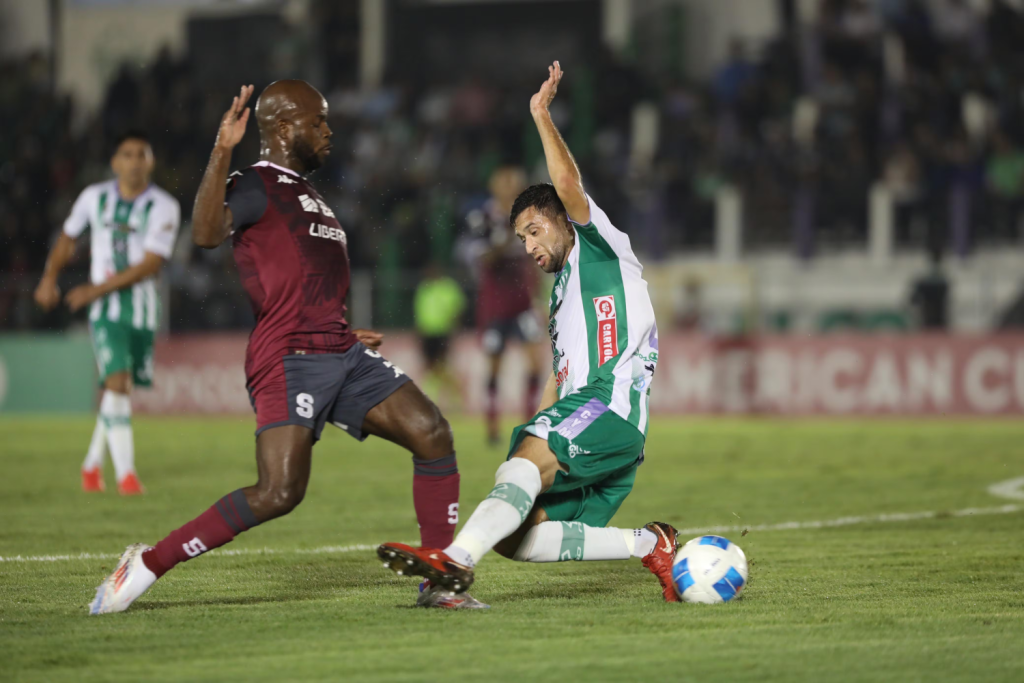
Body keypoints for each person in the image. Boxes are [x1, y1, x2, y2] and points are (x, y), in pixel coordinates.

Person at [90, 80, 485, 614]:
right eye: (317, 121)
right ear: (282, 128)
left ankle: (438, 582)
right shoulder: (254, 182)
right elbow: (206, 233)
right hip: (290, 355)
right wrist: (221, 149)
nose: (328, 131)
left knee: (432, 431)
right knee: (279, 492)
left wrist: (339, 326)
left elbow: (303, 276)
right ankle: (146, 563)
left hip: (338, 348)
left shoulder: (310, 194)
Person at [378, 62, 680, 603]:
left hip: (611, 409)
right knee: (519, 537)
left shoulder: (603, 246)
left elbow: (567, 183)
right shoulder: (561, 298)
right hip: (591, 418)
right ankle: (649, 545)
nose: (528, 246)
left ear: (563, 219)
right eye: (520, 238)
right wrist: (535, 427)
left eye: (535, 230)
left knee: (518, 467)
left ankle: (453, 566)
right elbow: (559, 381)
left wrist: (540, 114)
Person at [34, 130, 181, 496]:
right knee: (117, 383)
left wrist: (92, 289)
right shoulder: (93, 197)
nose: (133, 161)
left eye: (141, 155)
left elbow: (151, 264)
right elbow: (68, 236)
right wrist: (49, 278)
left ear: (150, 163)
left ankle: (90, 466)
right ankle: (127, 477)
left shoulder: (164, 206)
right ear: (115, 163)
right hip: (106, 311)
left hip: (143, 310)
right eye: (127, 154)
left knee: (120, 390)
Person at [462, 165, 545, 444]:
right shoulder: (482, 218)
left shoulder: (531, 217)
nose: (512, 191)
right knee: (495, 365)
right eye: (507, 185)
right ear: (495, 187)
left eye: (517, 186)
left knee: (535, 363)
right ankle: (492, 425)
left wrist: (540, 298)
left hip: (523, 301)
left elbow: (537, 260)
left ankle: (530, 423)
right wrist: (507, 238)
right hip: (495, 302)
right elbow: (481, 258)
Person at [414, 264, 467, 413]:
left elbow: (457, 308)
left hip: (443, 332)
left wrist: (453, 326)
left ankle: (453, 397)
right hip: (427, 332)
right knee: (432, 367)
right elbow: (420, 311)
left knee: (441, 366)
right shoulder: (424, 288)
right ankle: (447, 397)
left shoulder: (448, 287)